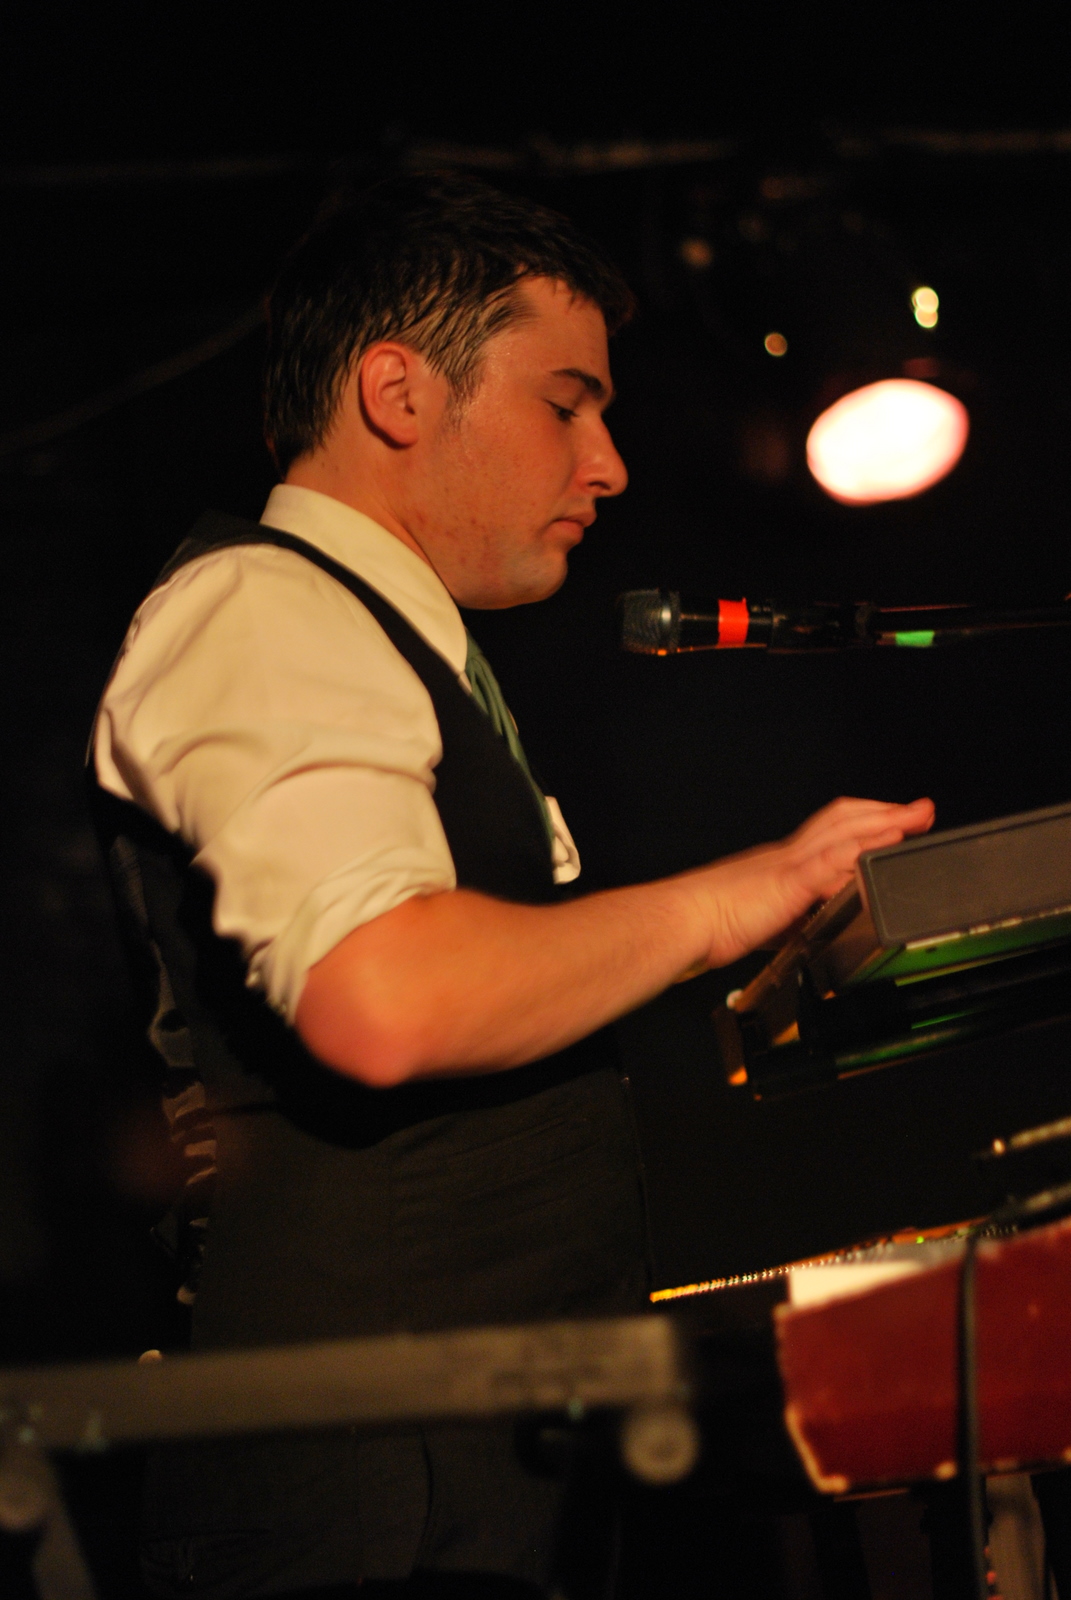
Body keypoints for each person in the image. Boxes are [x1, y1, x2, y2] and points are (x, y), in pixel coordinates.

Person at [89, 172, 933, 1599]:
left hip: (460, 1495)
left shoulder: (394, 646)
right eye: (565, 404)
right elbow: (384, 998)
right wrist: (723, 902)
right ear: (398, 392)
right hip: (363, 1519)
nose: (608, 465)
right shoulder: (264, 607)